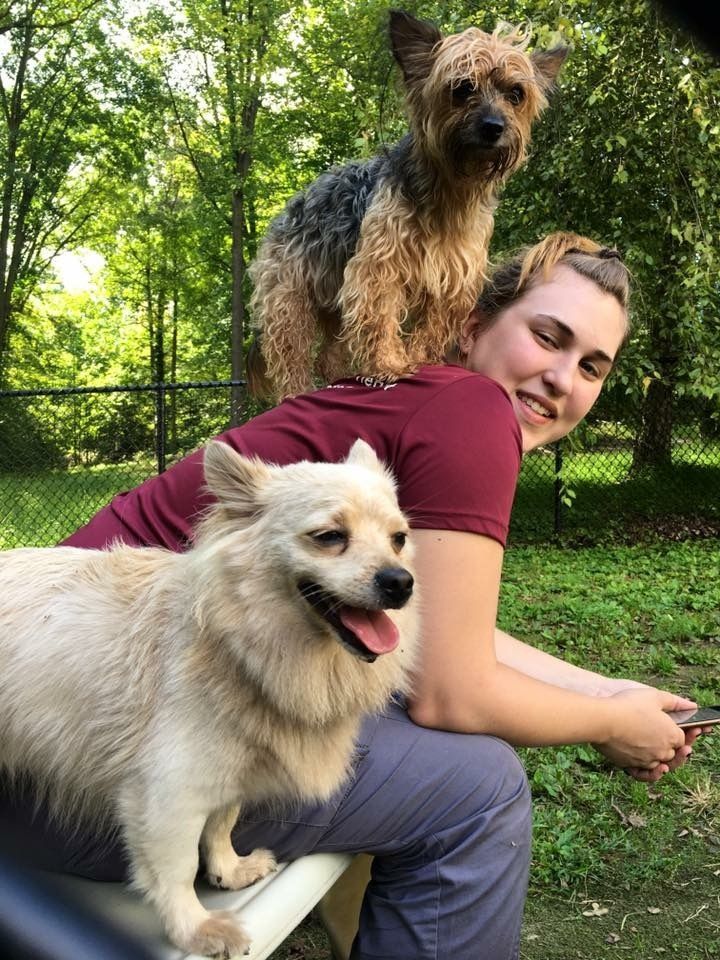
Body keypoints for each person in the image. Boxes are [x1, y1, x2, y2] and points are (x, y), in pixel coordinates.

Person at [1, 232, 706, 960]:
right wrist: (607, 726)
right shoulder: (473, 413)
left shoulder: (402, 395)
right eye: (546, 336)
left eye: (592, 365)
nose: (562, 378)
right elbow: (452, 693)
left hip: (72, 703)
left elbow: (420, 630)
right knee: (479, 789)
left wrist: (610, 691)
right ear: (472, 327)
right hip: (68, 775)